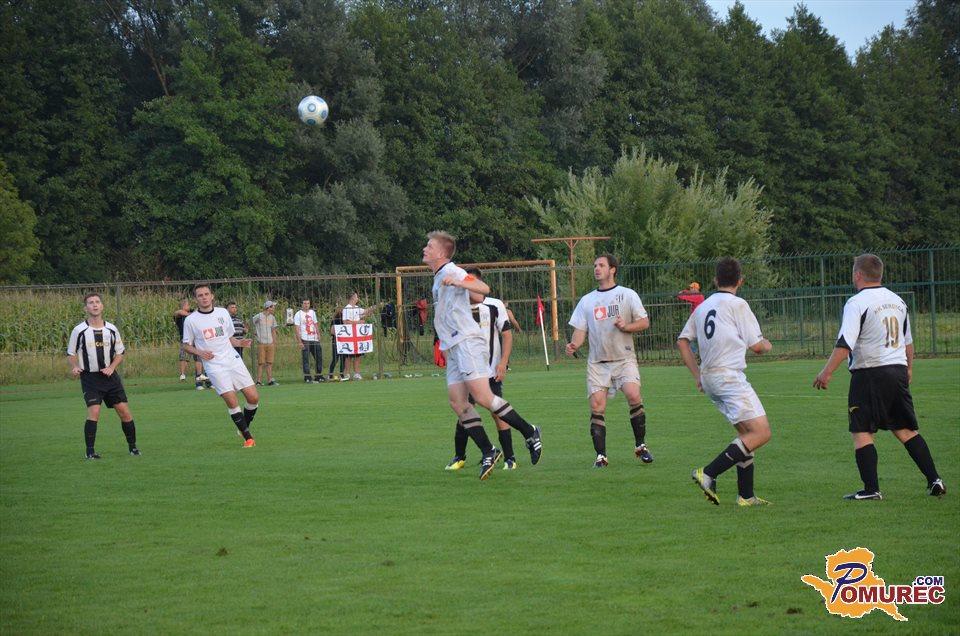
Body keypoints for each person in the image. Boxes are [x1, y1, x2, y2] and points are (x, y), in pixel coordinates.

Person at [813, 254, 945, 500]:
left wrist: (826, 372)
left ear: (857, 275)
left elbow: (845, 343)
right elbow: (908, 342)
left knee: (862, 430)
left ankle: (871, 489)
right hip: (897, 370)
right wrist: (909, 369)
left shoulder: (856, 302)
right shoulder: (898, 301)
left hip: (869, 373)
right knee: (905, 430)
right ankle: (935, 480)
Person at [422, 231, 542, 480]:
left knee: (483, 397)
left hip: (467, 342)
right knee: (458, 402)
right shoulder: (439, 276)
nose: (425, 249)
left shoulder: (451, 270)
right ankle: (489, 450)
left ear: (441, 253)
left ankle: (529, 431)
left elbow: (483, 289)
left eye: (429, 246)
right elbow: (475, 296)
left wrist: (460, 283)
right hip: (453, 346)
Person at [677, 258, 773, 507]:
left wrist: (697, 375)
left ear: (715, 280)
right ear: (741, 280)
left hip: (710, 377)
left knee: (746, 434)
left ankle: (746, 496)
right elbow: (757, 346)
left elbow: (682, 341)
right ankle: (708, 473)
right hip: (728, 376)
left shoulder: (703, 306)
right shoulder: (738, 304)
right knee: (761, 432)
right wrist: (767, 344)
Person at [565, 254, 653, 468]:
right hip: (598, 362)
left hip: (624, 358)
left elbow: (644, 322)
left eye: (601, 265)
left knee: (633, 394)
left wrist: (626, 327)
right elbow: (580, 330)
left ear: (612, 269)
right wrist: (574, 344)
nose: (597, 268)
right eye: (595, 265)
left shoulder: (627, 295)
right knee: (597, 406)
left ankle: (641, 446)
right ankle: (601, 457)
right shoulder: (587, 300)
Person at [445, 268, 522, 471]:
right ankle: (459, 456)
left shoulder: (494, 305)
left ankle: (510, 458)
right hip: (467, 371)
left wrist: (503, 363)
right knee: (464, 411)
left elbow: (507, 335)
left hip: (489, 370)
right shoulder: (456, 307)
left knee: (497, 413)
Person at [181, 284, 258, 447]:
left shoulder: (223, 313)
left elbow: (229, 338)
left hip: (233, 359)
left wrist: (240, 343)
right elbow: (186, 345)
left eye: (206, 294)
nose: (204, 297)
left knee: (253, 398)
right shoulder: (191, 320)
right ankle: (248, 438)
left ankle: (243, 427)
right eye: (200, 295)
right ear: (196, 299)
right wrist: (200, 353)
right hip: (214, 365)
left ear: (212, 296)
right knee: (232, 401)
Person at [67, 293, 140, 459]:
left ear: (102, 306)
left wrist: (112, 367)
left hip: (110, 378)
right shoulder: (79, 330)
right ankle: (90, 452)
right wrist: (75, 366)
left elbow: (120, 353)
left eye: (97, 302)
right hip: (90, 378)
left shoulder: (111, 329)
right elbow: (71, 353)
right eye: (90, 302)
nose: (94, 305)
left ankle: (133, 448)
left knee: (124, 413)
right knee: (94, 412)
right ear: (85, 308)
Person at [342, 291, 378, 380]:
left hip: (358, 335)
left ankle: (356, 373)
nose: (358, 298)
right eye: (356, 297)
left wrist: (375, 307)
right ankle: (347, 374)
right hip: (349, 335)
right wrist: (358, 322)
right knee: (348, 356)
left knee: (357, 355)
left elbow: (365, 312)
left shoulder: (357, 308)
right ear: (353, 298)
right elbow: (346, 322)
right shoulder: (346, 309)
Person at [174, 299, 206, 388]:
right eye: (187, 305)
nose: (189, 306)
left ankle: (199, 376)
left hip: (195, 339)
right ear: (183, 306)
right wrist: (193, 315)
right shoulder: (179, 315)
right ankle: (182, 374)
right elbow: (178, 312)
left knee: (198, 357)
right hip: (185, 339)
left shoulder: (192, 312)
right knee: (184, 357)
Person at [294, 298, 324, 383]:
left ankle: (318, 375)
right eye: (304, 303)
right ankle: (307, 377)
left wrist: (318, 334)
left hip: (314, 338)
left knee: (319, 357)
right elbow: (297, 328)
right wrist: (299, 341)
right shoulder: (298, 314)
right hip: (305, 339)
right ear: (301, 304)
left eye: (308, 303)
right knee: (306, 359)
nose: (306, 305)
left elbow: (315, 324)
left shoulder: (312, 313)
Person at [251, 300, 280, 386]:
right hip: (261, 343)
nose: (274, 308)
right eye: (273, 307)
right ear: (268, 308)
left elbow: (273, 330)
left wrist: (274, 342)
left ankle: (270, 380)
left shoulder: (272, 318)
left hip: (270, 343)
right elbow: (250, 323)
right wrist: (254, 332)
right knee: (261, 363)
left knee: (270, 362)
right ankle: (258, 381)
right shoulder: (258, 316)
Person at [328, 314, 347, 381]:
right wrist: (341, 332)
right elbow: (332, 331)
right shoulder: (335, 320)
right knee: (335, 359)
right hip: (336, 341)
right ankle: (330, 374)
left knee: (343, 358)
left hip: (345, 341)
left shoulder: (347, 320)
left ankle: (342, 374)